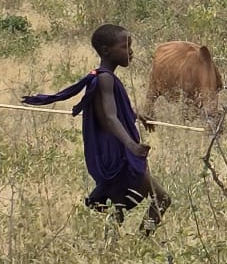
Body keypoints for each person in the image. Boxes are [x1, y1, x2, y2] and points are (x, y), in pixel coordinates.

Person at [22, 24, 170, 234]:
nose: (130, 51)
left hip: (114, 154)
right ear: (105, 50)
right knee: (161, 198)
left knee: (119, 206)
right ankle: (138, 243)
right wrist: (132, 145)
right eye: (124, 46)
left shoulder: (103, 77)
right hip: (119, 155)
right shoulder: (104, 78)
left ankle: (117, 250)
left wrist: (134, 114)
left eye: (130, 46)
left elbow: (112, 109)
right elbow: (109, 117)